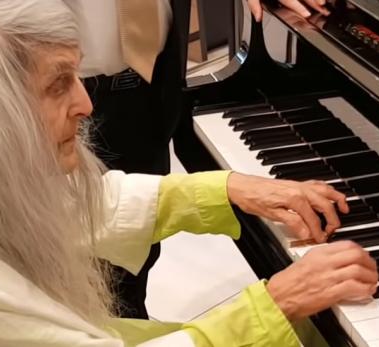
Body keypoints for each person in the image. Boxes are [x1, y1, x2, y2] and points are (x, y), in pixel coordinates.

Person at [0, 1, 377, 346]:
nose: (86, 104)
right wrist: (273, 303)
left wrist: (227, 187)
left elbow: (64, 206)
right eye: (59, 83)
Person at [73, 0, 333, 319]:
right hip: (45, 89)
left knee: (132, 259)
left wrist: (225, 189)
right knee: (71, 271)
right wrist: (264, 314)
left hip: (150, 77)